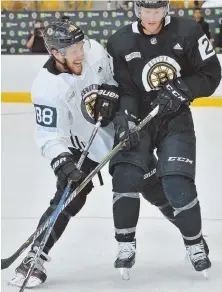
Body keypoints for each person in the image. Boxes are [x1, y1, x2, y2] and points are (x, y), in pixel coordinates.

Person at [9, 19, 178, 288]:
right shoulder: (46, 88)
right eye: (72, 50)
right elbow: (50, 136)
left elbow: (118, 80)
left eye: (80, 45)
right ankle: (34, 257)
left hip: (120, 138)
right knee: (67, 199)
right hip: (80, 149)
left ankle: (193, 234)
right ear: (55, 53)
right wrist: (63, 164)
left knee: (155, 190)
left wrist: (116, 97)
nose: (80, 53)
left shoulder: (95, 51)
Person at [105, 0, 221, 279]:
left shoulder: (189, 31)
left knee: (177, 180)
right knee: (125, 174)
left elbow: (212, 74)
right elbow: (123, 89)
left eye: (157, 10)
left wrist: (183, 88)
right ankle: (125, 244)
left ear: (166, 9)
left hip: (175, 117)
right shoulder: (119, 42)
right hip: (140, 121)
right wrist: (127, 118)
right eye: (147, 10)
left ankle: (195, 246)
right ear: (137, 10)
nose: (152, 16)